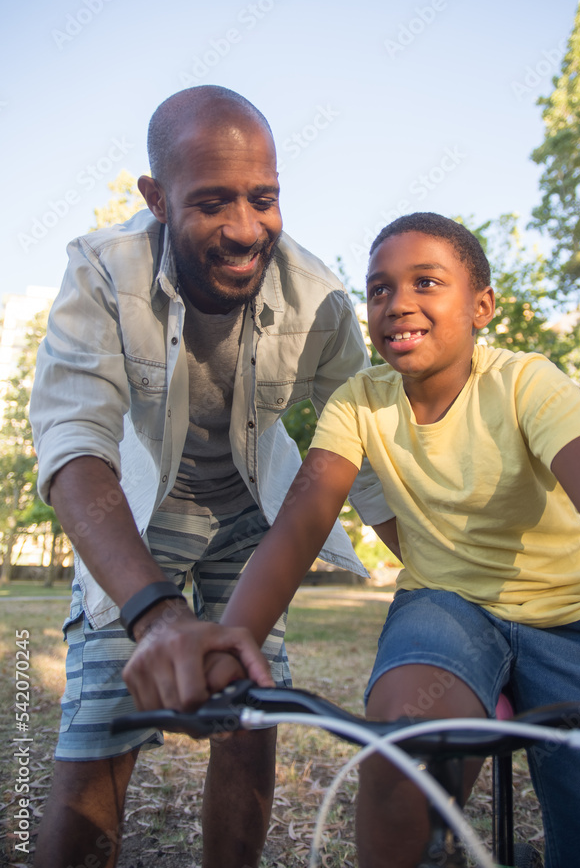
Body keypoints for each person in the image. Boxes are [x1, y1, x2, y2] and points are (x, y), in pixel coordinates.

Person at [215, 212, 580, 868]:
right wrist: (236, 635)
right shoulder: (358, 402)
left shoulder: (527, 383)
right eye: (378, 289)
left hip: (571, 619)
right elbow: (301, 522)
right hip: (444, 606)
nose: (398, 303)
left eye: (426, 282)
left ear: (481, 305)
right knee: (403, 741)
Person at [29, 85, 395, 868]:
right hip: (139, 515)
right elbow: (72, 446)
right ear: (157, 198)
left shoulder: (320, 298)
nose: (244, 228)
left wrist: (441, 571)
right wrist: (154, 615)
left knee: (248, 707)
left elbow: (366, 445)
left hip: (251, 515)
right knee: (101, 719)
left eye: (263, 199)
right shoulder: (99, 273)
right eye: (212, 202)